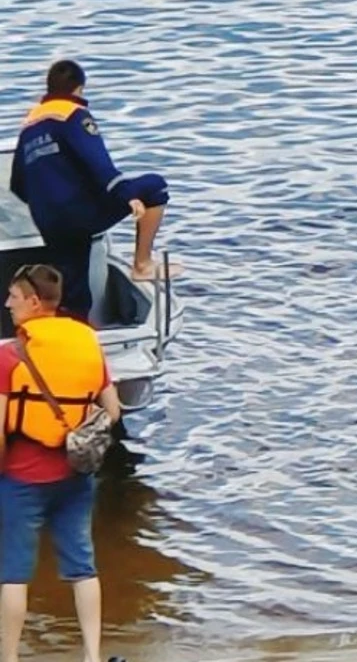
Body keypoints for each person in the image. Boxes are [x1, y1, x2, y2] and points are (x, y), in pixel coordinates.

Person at [0, 264, 123, 662]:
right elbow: (114, 411)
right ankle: (91, 655)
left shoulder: (9, 356)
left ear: (34, 302)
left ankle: (8, 657)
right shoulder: (88, 341)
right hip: (75, 473)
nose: (7, 304)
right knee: (82, 565)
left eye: (14, 297)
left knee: (14, 573)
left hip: (21, 477)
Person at [10, 60, 172, 320]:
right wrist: (127, 195)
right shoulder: (74, 115)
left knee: (74, 290)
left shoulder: (28, 127)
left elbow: (17, 184)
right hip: (78, 213)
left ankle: (67, 338)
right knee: (155, 186)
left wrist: (47, 203)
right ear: (79, 89)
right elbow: (98, 164)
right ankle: (142, 265)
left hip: (48, 220)